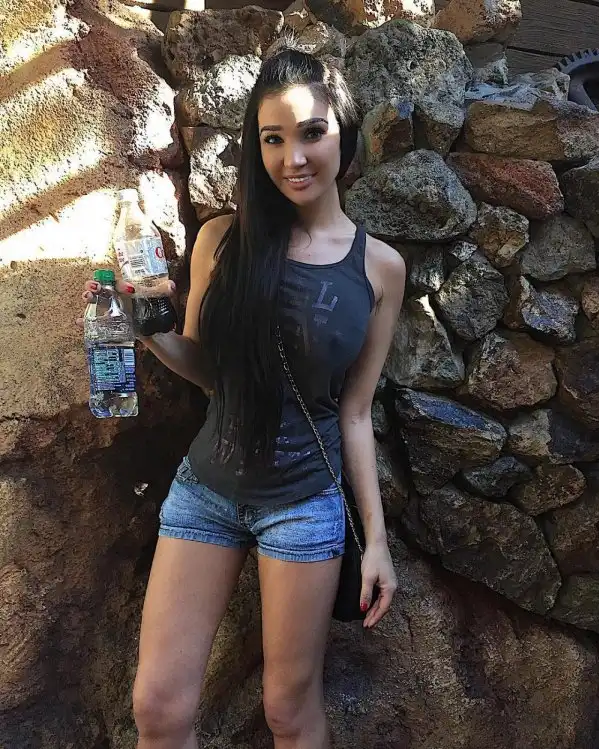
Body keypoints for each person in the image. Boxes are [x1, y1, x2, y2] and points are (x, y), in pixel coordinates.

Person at [81, 46, 405, 749]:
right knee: (158, 708)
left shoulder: (380, 268)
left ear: (344, 132)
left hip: (304, 504)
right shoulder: (222, 240)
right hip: (206, 491)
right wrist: (146, 326)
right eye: (273, 139)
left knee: (288, 710)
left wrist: (376, 541)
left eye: (311, 133)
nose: (294, 157)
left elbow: (354, 412)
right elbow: (205, 367)